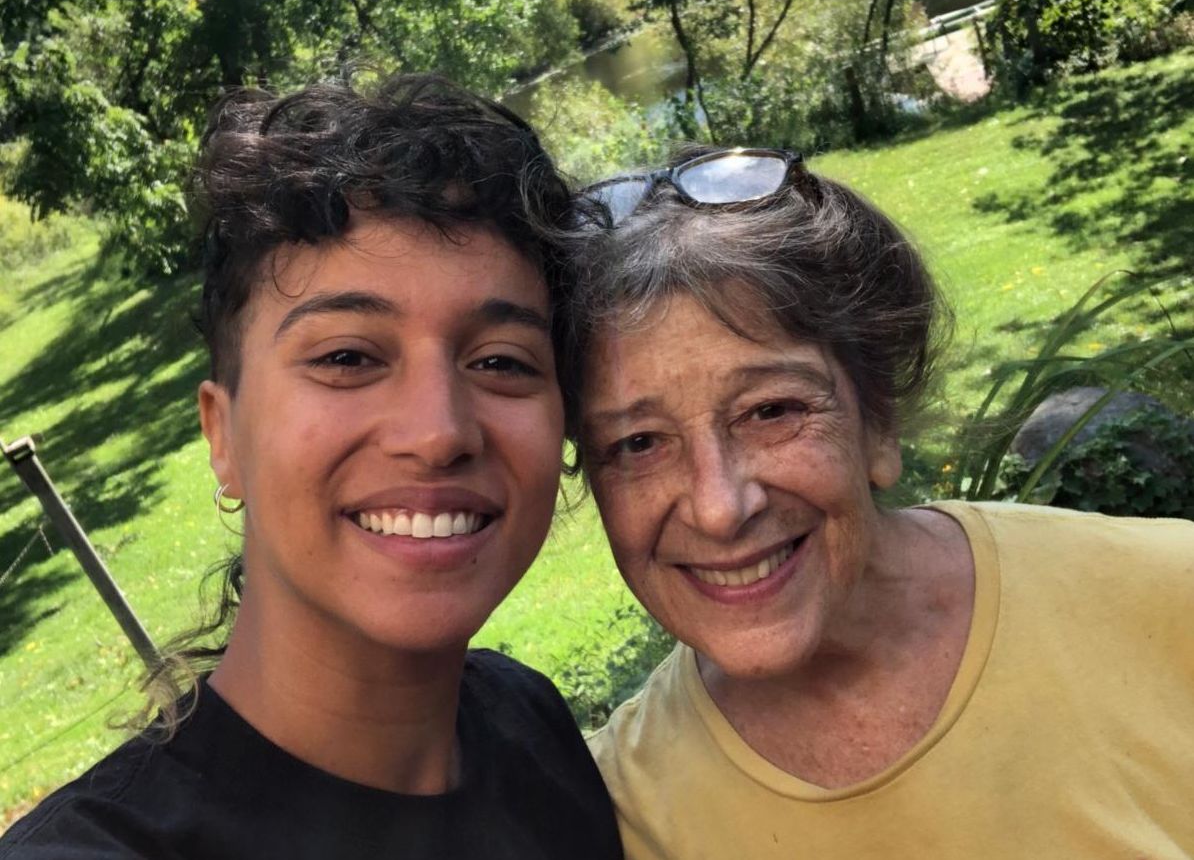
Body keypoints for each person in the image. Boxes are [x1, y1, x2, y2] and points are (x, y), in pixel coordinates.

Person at [0, 75, 622, 860]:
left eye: (501, 361)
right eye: (347, 357)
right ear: (222, 436)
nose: (438, 433)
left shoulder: (531, 723)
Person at [564, 147, 1194, 858]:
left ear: (879, 421)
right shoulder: (619, 815)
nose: (719, 508)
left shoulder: (1168, 598)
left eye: (772, 411)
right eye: (638, 444)